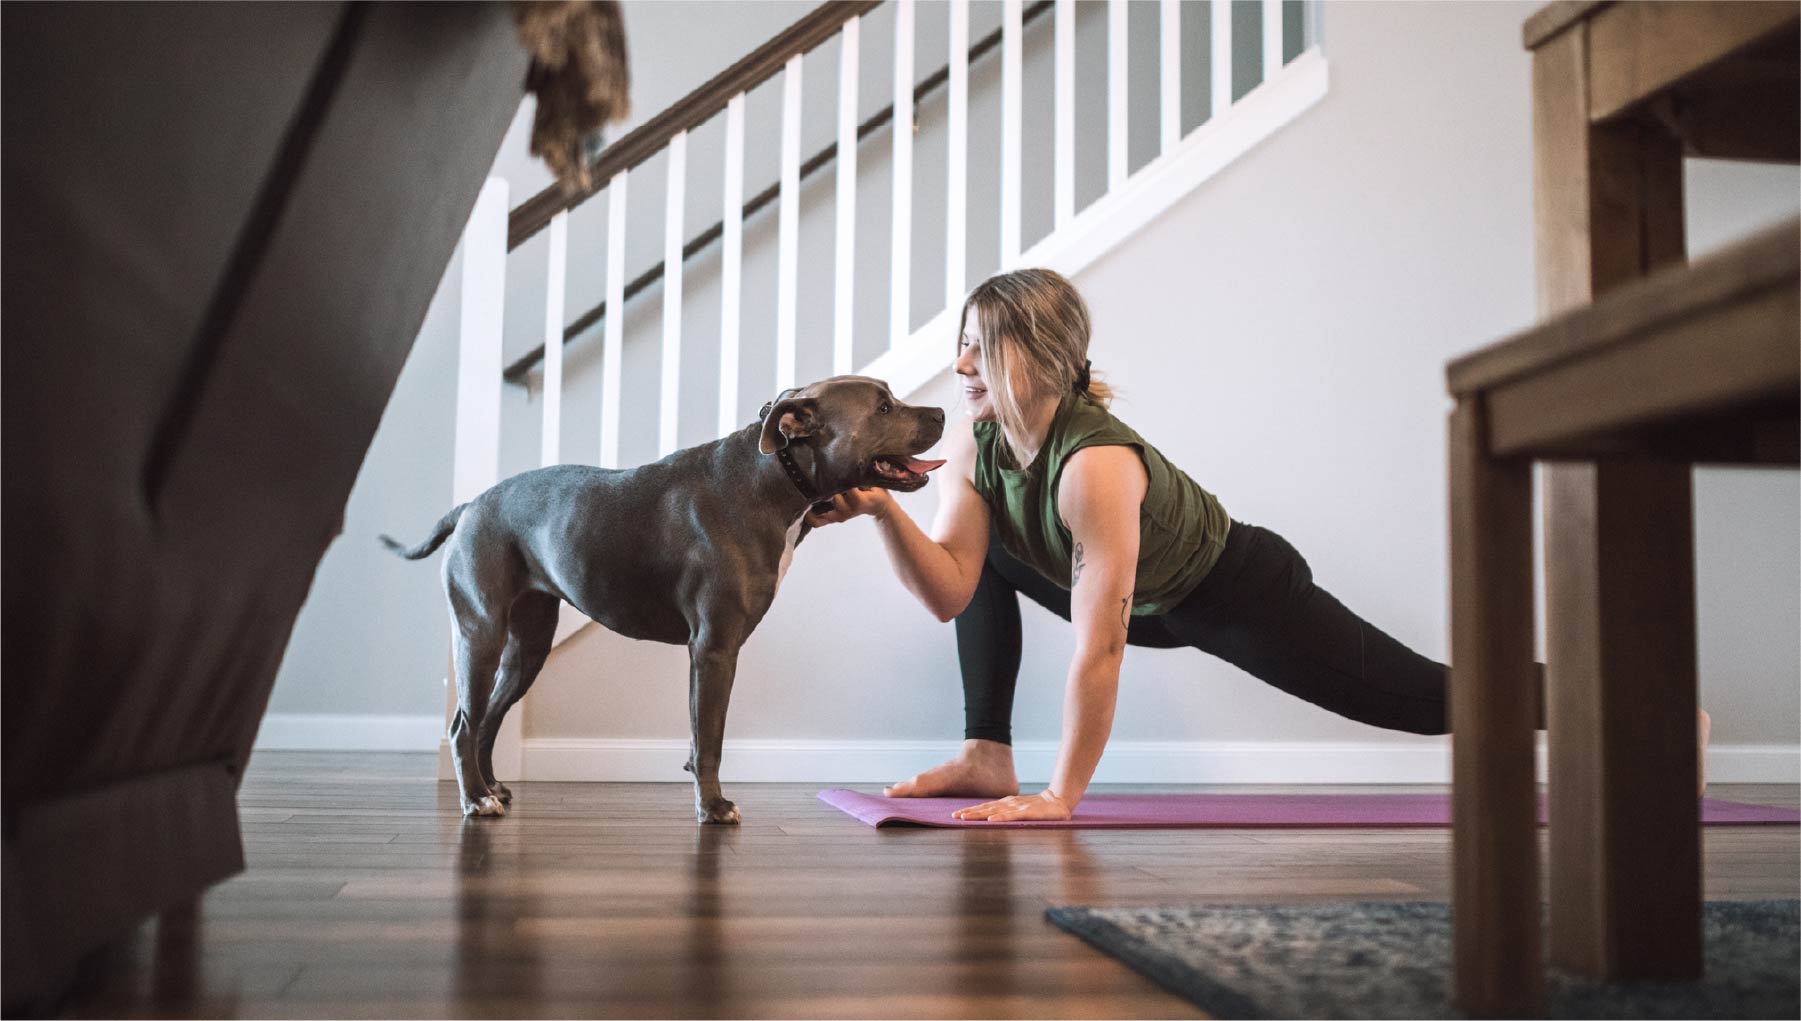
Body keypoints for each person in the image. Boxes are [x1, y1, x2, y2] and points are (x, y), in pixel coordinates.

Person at [807, 268, 1709, 821]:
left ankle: (1654, 710)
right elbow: (950, 590)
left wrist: (1061, 798)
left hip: (1232, 590)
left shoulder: (1096, 468)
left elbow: (1100, 647)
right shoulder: (977, 438)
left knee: (1432, 700)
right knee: (988, 550)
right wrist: (885, 513)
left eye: (979, 349)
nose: (959, 366)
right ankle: (984, 749)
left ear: (1039, 359)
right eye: (959, 345)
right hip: (1146, 598)